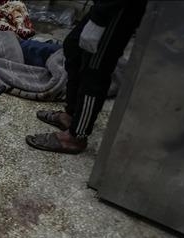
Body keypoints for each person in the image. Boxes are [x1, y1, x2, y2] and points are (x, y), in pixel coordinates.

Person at [26, 0, 148, 154]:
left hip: (119, 8)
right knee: (74, 47)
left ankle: (76, 136)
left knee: (95, 68)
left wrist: (99, 19)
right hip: (104, 6)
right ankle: (72, 115)